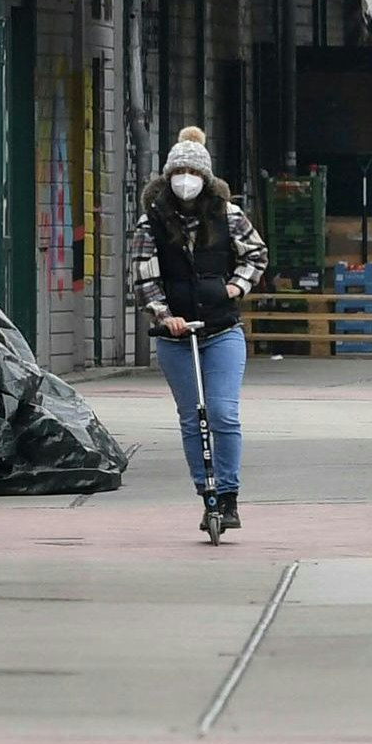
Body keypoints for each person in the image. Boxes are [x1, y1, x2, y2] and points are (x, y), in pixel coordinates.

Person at [131, 127, 266, 539]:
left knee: (223, 412)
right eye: (179, 170)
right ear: (168, 176)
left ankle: (228, 493)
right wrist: (162, 313)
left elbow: (255, 254)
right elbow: (143, 276)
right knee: (193, 418)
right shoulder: (151, 221)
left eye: (193, 171)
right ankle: (204, 489)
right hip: (176, 334)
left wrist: (234, 287)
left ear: (205, 178)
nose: (185, 178)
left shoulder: (227, 214)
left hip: (221, 328)